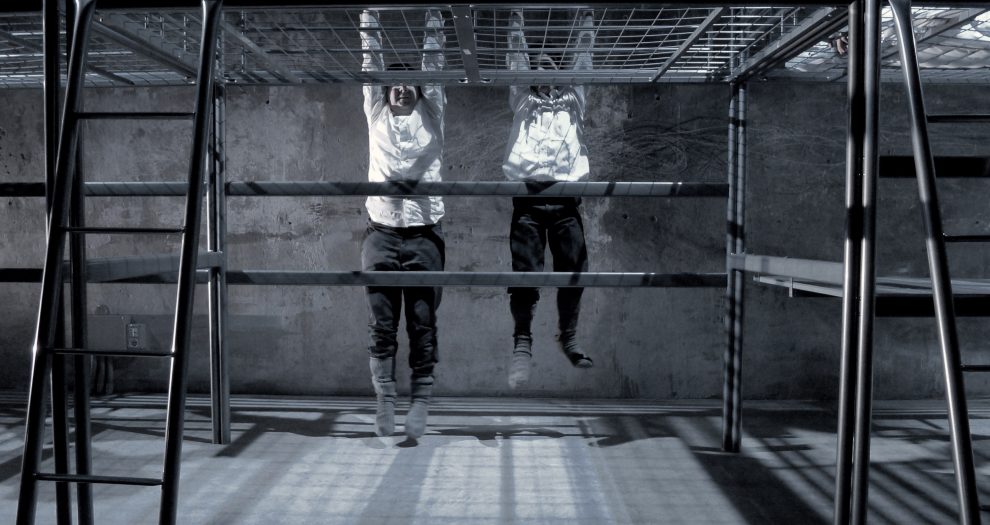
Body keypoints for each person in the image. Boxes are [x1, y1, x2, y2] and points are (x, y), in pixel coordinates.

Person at [359, 9, 445, 439]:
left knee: (422, 322)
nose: (402, 88)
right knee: (382, 323)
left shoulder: (432, 114)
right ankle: (385, 400)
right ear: (385, 91)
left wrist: (434, 15)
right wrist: (369, 14)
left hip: (425, 234)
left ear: (420, 89)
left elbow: (434, 62)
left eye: (410, 82)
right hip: (381, 233)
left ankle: (421, 401)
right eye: (394, 83)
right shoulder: (376, 114)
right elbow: (370, 64)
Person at [503, 10, 595, 389]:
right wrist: (516, 17)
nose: (541, 71)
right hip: (528, 199)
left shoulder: (574, 101)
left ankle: (568, 336)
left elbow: (584, 57)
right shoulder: (523, 101)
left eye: (550, 65)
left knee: (575, 268)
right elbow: (516, 55)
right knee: (525, 272)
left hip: (566, 201)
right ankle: (522, 343)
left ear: (560, 74)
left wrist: (586, 16)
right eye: (536, 66)